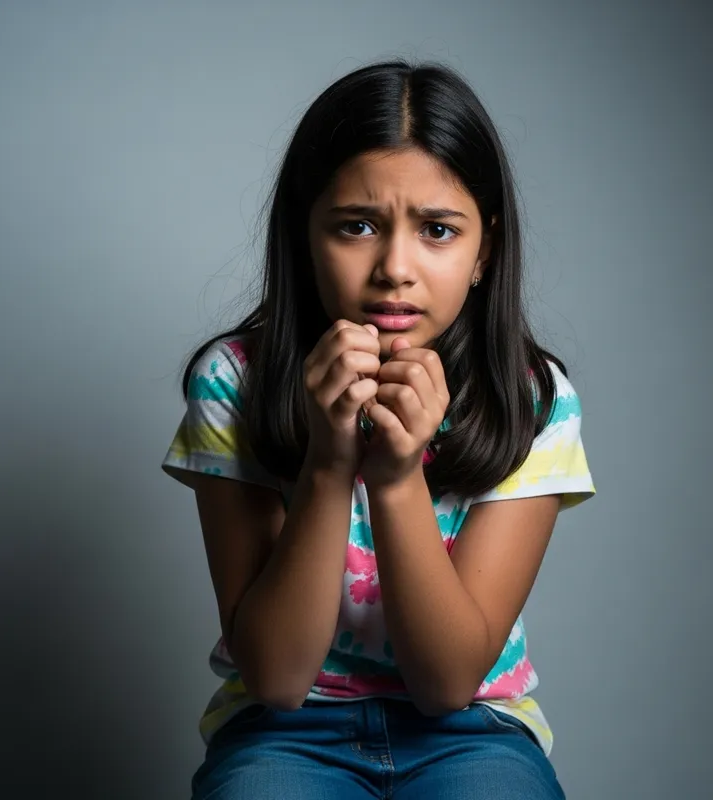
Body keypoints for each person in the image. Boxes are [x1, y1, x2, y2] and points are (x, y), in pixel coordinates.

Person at [162, 59, 595, 800]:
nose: (395, 267)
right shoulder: (234, 381)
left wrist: (396, 479)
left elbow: (448, 682)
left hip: (471, 729)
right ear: (305, 234)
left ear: (484, 250)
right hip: (284, 732)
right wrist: (329, 462)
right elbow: (277, 677)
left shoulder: (529, 398)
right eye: (357, 226)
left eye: (437, 230)